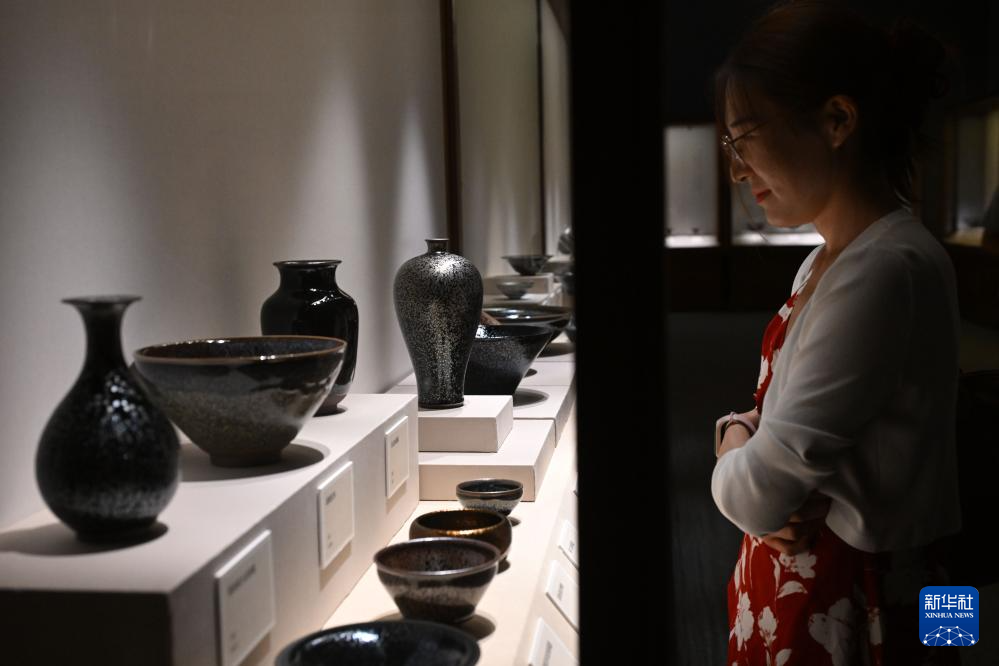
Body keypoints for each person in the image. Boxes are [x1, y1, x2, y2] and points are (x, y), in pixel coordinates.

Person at [709, 2, 962, 664]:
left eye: (745, 138)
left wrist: (730, 451)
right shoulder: (832, 258)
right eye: (731, 147)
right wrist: (738, 432)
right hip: (843, 579)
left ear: (837, 120)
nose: (738, 170)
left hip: (861, 596)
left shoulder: (884, 268)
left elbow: (762, 492)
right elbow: (778, 423)